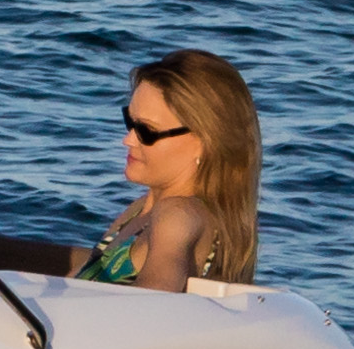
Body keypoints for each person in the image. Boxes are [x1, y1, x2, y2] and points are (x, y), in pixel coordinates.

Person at [83, 46, 265, 285]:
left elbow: (157, 305)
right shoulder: (143, 209)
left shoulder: (176, 216)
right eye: (130, 121)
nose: (128, 139)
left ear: (204, 143)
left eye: (147, 131)